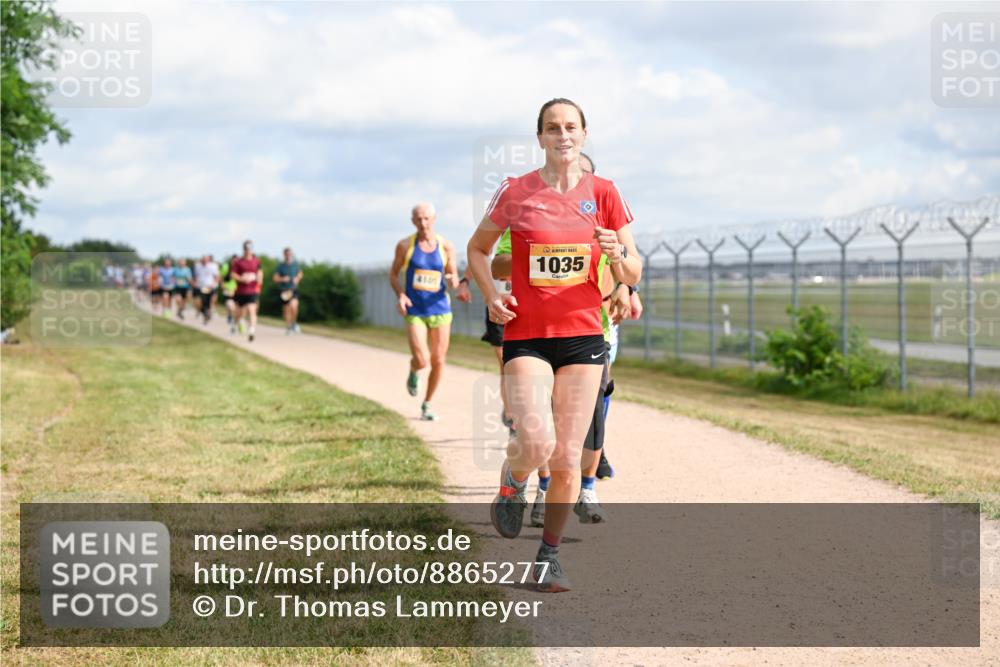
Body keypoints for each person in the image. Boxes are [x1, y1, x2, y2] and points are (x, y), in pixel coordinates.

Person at [467, 98, 640, 592]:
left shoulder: (605, 193)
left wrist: (618, 259)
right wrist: (491, 294)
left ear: (584, 135)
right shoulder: (517, 191)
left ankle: (549, 555)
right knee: (537, 442)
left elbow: (633, 268)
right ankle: (514, 477)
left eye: (570, 127)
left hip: (585, 336)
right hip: (528, 336)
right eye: (552, 128)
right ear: (540, 137)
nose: (562, 135)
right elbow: (478, 249)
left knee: (566, 457)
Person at [389, 202, 459, 421]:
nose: (423, 223)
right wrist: (401, 294)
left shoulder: (446, 246)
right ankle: (413, 370)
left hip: (440, 309)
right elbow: (393, 275)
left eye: (426, 218)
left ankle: (427, 403)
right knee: (422, 359)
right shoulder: (404, 246)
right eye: (418, 219)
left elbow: (454, 277)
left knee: (438, 359)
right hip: (415, 310)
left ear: (434, 219)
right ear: (412, 221)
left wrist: (451, 279)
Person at [231, 240, 262, 342]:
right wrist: (242, 279)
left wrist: (259, 280)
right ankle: (236, 323)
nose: (248, 251)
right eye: (246, 249)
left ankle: (252, 331)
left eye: (250, 249)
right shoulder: (238, 262)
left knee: (252, 310)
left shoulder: (256, 261)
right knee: (240, 313)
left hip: (252, 290)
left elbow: (259, 272)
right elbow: (233, 274)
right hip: (241, 291)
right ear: (243, 249)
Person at [274, 247, 304, 334]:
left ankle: (294, 323)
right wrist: (282, 279)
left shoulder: (296, 264)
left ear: (292, 254)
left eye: (290, 254)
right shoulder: (280, 266)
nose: (288, 256)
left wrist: (297, 278)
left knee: (294, 307)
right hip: (284, 290)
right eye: (287, 254)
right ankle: (289, 327)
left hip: (293, 289)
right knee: (286, 310)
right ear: (284, 255)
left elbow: (300, 273)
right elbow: (275, 278)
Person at [193, 255, 220, 324]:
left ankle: (209, 313)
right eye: (203, 259)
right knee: (201, 301)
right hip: (200, 287)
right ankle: (204, 314)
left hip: (211, 287)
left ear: (208, 260)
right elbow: (196, 276)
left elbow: (217, 277)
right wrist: (195, 283)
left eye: (206, 260)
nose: (204, 261)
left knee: (211, 300)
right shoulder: (197, 266)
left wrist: (214, 284)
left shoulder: (213, 266)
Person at [220, 254, 239, 333]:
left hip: (237, 290)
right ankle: (230, 317)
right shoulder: (225, 267)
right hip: (227, 289)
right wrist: (223, 285)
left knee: (236, 309)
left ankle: (233, 321)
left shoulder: (240, 268)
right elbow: (221, 276)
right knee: (231, 306)